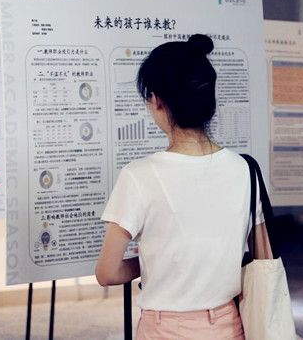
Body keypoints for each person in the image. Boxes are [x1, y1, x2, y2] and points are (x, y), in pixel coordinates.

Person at [95, 34, 272, 339]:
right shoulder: (246, 170)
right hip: (230, 324)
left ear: (156, 100)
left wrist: (154, 263)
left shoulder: (138, 175)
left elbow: (107, 272)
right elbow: (262, 258)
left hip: (165, 329)